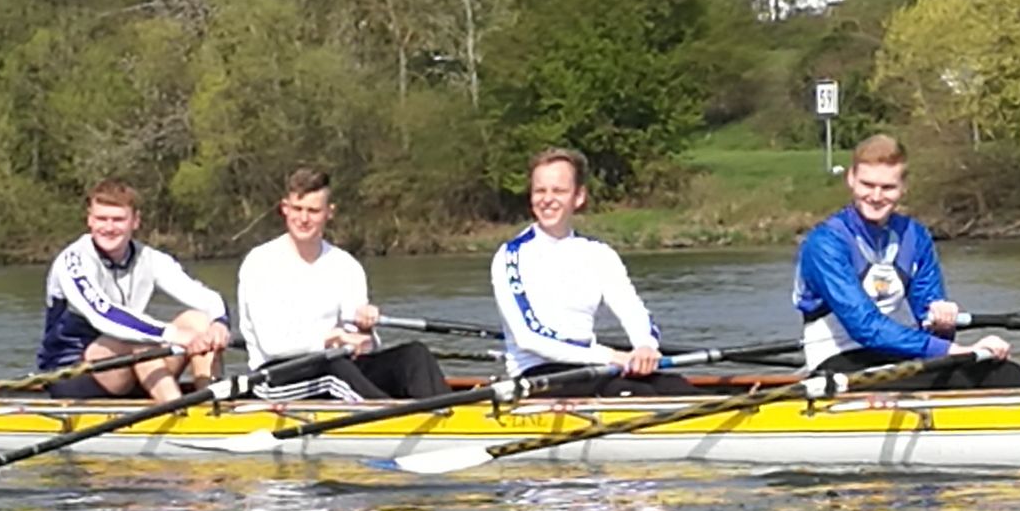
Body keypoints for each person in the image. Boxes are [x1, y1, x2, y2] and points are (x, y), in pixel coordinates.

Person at [793, 134, 1020, 390]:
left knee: (1004, 373)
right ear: (851, 179)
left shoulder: (914, 237)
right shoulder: (826, 244)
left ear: (903, 187)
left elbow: (929, 324)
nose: (875, 196)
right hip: (837, 363)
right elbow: (866, 327)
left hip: (892, 354)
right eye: (867, 185)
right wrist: (957, 349)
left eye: (887, 188)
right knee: (973, 377)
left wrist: (942, 325)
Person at [492, 148, 698, 398]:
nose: (547, 199)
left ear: (578, 197)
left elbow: (632, 309)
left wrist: (645, 346)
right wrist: (610, 356)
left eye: (559, 191)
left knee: (678, 387)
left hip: (591, 366)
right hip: (538, 374)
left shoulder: (599, 253)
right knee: (628, 392)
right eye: (540, 191)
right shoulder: (511, 256)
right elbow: (530, 338)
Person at [237, 167, 451, 401]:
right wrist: (330, 338)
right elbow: (273, 346)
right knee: (334, 368)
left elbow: (363, 345)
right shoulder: (261, 263)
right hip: (274, 377)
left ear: (329, 212)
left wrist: (366, 329)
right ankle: (395, 423)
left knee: (414, 355)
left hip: (336, 367)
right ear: (284, 208)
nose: (304, 219)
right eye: (297, 209)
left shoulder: (346, 265)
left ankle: (451, 420)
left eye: (313, 211)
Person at [37, 179, 232, 402]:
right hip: (72, 372)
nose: (109, 228)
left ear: (135, 222)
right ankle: (179, 410)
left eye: (119, 220)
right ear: (89, 220)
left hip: (130, 364)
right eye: (102, 219)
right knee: (140, 341)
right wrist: (173, 335)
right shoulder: (73, 261)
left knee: (198, 321)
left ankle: (213, 401)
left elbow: (205, 297)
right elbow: (104, 315)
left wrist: (219, 323)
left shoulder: (151, 258)